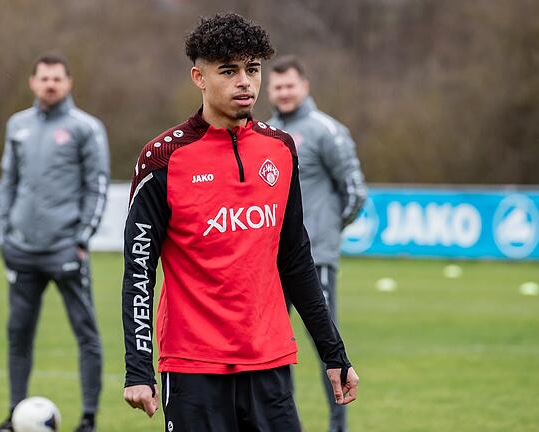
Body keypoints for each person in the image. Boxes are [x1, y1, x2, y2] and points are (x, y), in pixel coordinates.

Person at [122, 13, 359, 432]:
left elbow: (297, 260)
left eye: (252, 69)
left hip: (269, 361)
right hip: (194, 367)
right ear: (199, 76)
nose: (245, 82)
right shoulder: (162, 159)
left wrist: (334, 353)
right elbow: (139, 269)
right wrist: (138, 368)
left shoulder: (281, 150)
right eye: (228, 71)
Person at [0, 53, 110, 432]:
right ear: (32, 82)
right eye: (43, 78)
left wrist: (81, 239)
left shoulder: (86, 128)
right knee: (18, 336)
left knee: (86, 334)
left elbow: (97, 185)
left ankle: (88, 418)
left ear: (68, 83)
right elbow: (8, 182)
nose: (50, 84)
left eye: (57, 78)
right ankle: (14, 416)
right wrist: (4, 234)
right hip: (22, 250)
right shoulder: (18, 125)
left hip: (65, 250)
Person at [267, 55, 367, 432]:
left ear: (304, 86)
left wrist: (324, 234)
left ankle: (337, 426)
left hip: (315, 259)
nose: (284, 92)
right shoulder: (265, 132)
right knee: (274, 348)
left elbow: (355, 193)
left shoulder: (327, 130)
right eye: (277, 86)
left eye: (290, 85)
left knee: (327, 348)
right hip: (271, 261)